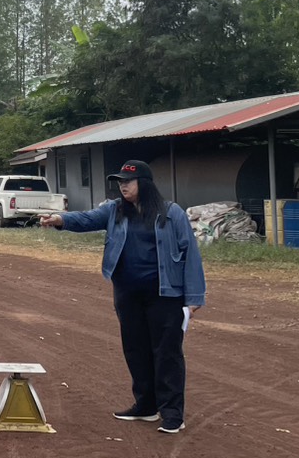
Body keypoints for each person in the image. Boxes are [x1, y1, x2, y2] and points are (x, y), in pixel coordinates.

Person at [40, 159, 206, 434]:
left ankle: (172, 413)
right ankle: (146, 405)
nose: (123, 185)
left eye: (128, 181)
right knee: (135, 349)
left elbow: (190, 253)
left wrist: (194, 297)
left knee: (167, 353)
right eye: (120, 181)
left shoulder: (170, 213)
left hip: (164, 294)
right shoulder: (115, 210)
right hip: (128, 293)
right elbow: (88, 219)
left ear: (145, 183)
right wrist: (61, 220)